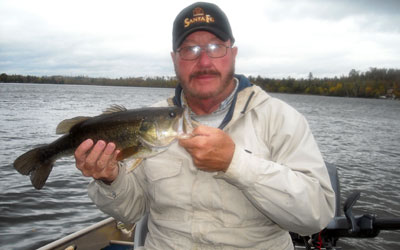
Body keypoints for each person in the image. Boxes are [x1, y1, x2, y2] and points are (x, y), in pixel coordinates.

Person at [74, 2, 335, 249]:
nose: (204, 62)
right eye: (190, 50)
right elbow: (132, 210)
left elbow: (315, 217)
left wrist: (236, 163)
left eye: (215, 47)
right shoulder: (151, 119)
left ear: (233, 53)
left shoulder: (281, 119)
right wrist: (110, 178)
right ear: (174, 58)